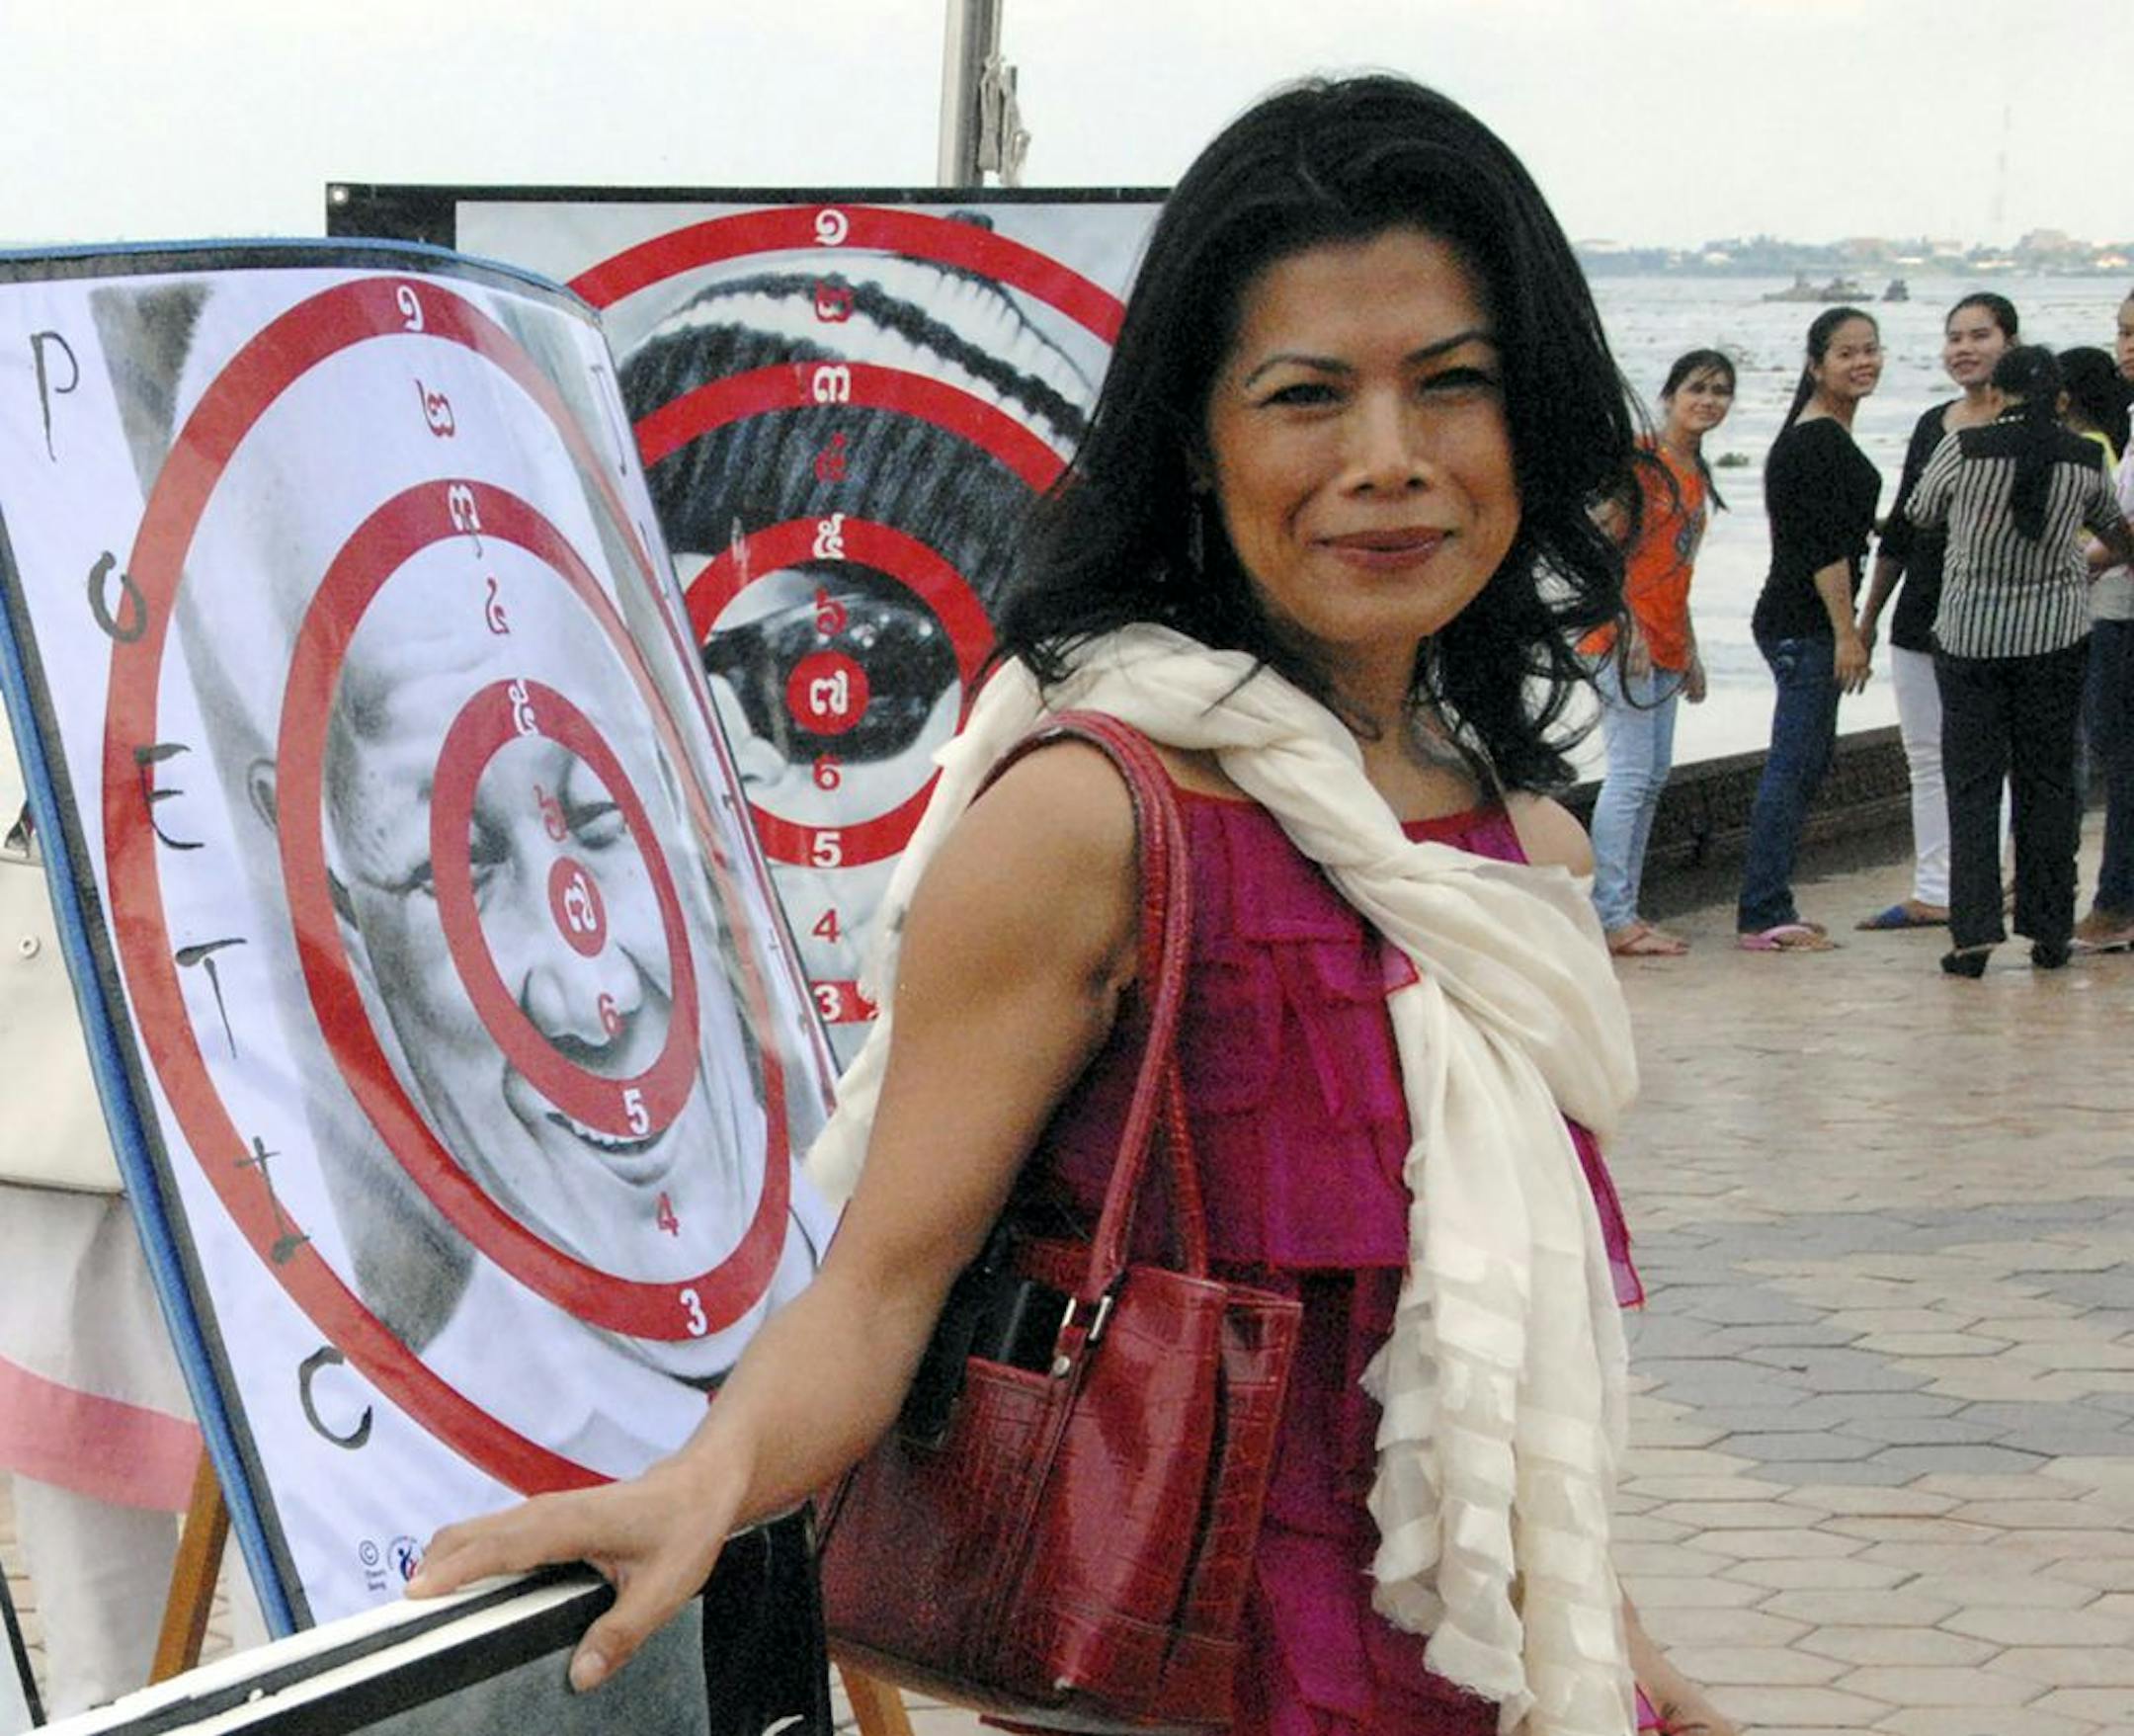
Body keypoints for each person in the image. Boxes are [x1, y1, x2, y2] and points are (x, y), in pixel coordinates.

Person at [410, 75, 1736, 1736]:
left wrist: (1611, 1644)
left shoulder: (1511, 833)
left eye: (1451, 386)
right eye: (1306, 396)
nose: (1388, 462)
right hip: (1211, 1685)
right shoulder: (1094, 818)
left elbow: (1496, 1347)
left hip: (1494, 1686)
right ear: (1198, 438)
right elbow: (885, 1278)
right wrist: (707, 1484)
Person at [1908, 345, 2134, 976]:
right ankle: (2050, 930)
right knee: (2049, 784)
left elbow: (1921, 513)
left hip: (1969, 640)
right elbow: (2116, 533)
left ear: (1997, 395)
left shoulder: (1961, 449)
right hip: (2056, 642)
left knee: (1973, 786)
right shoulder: (2085, 458)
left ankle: (1974, 933)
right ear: (2058, 399)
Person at [1853, 294, 2019, 931]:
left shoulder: (2025, 426)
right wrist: (1866, 621)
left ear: (2009, 342)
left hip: (1995, 617)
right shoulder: (1933, 423)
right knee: (1925, 755)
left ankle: (1987, 882)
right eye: (1954, 337)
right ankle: (1934, 887)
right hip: (1921, 612)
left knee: (1986, 756)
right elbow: (1902, 528)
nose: (1964, 348)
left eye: (1980, 335)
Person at [1735, 306, 1884, 951]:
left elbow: (1837, 533)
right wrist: (1847, 631)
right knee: (1793, 766)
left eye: (1870, 350)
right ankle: (1762, 913)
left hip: (1800, 619)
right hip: (1804, 622)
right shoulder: (1816, 439)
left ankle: (1774, 900)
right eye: (1847, 352)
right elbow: (1824, 549)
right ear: (1816, 364)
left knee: (1807, 759)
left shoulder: (1822, 436)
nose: (1862, 362)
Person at [1583, 350, 1734, 956]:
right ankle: (1610, 915)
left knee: (1652, 779)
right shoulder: (1641, 464)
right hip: (1623, 644)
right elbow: (1598, 550)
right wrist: (1630, 630)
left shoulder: (1694, 471)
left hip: (1668, 644)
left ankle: (1627, 910)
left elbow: (1675, 567)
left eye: (1721, 391)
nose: (1709, 401)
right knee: (1629, 777)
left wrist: (1690, 647)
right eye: (1697, 388)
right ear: (1669, 395)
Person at [2063, 329, 2134, 949]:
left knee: (2120, 753)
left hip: (2119, 607)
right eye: (2124, 332)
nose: (2127, 346)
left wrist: (2069, 566)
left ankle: (2116, 906)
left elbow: (2123, 526)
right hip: (2114, 604)